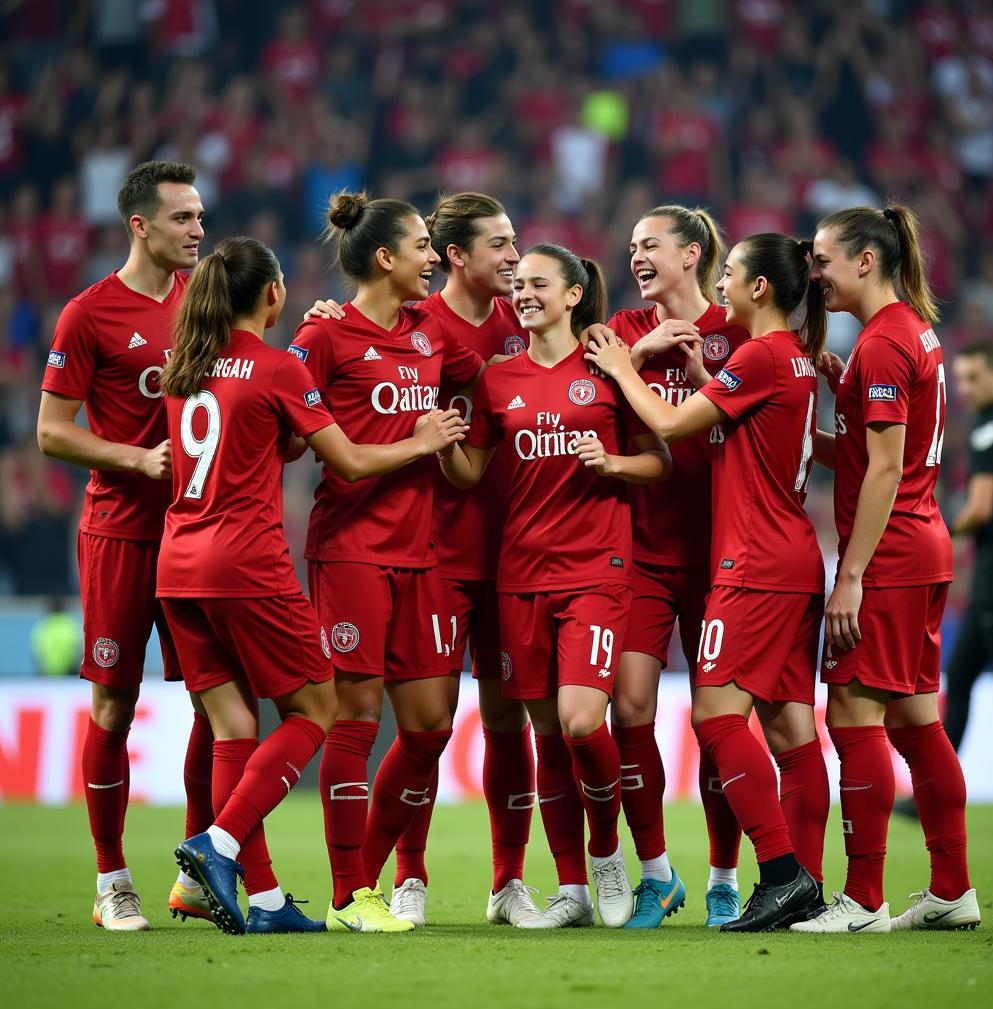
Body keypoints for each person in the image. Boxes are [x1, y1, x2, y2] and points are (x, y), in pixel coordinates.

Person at [161, 237, 466, 935]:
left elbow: (275, 442)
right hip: (245, 563)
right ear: (271, 294)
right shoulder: (276, 369)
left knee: (232, 724)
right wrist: (422, 441)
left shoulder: (186, 370)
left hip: (178, 565)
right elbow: (350, 462)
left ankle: (264, 900)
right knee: (316, 708)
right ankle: (219, 843)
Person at [587, 232, 829, 933]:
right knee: (789, 728)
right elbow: (747, 430)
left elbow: (663, 423)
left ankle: (781, 874)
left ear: (759, 288)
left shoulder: (758, 354)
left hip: (750, 564)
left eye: (732, 274)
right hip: (792, 558)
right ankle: (803, 890)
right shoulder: (793, 360)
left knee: (717, 716)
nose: (722, 284)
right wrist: (698, 375)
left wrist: (619, 366)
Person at [307, 192, 538, 925]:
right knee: (364, 716)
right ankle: (375, 884)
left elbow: (501, 384)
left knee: (444, 725)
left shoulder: (491, 324)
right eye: (498, 243)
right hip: (393, 550)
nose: (514, 258)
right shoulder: (343, 331)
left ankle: (505, 882)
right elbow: (301, 433)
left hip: (505, 553)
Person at [440, 243, 672, 929]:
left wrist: (613, 463)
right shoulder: (496, 378)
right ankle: (570, 887)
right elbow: (470, 472)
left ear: (573, 295)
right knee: (546, 735)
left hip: (595, 571)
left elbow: (659, 461)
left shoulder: (605, 369)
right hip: (519, 576)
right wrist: (432, 435)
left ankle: (605, 855)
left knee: (579, 722)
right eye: (520, 284)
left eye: (539, 283)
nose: (524, 292)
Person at [37, 160, 216, 931]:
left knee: (220, 705)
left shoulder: (207, 304)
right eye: (182, 219)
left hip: (198, 534)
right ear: (139, 225)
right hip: (119, 532)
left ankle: (199, 868)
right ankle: (112, 878)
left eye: (201, 218)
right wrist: (138, 459)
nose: (198, 232)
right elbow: (51, 431)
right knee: (114, 704)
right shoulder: (89, 314)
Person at [795, 203, 980, 933]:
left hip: (892, 554)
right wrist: (820, 417)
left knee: (852, 715)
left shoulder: (881, 344)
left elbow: (884, 470)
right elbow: (869, 455)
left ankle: (864, 899)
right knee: (913, 720)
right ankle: (952, 888)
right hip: (923, 544)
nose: (815, 274)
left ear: (865, 261)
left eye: (823, 260)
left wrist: (851, 574)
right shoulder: (909, 333)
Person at [582, 205, 750, 928]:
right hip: (642, 553)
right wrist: (640, 352)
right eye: (630, 247)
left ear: (692, 253)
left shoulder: (740, 331)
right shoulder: (619, 333)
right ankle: (657, 873)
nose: (637, 256)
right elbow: (572, 382)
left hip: (723, 557)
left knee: (718, 725)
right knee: (630, 710)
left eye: (650, 245)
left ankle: (722, 877)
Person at [943, 342, 993, 753]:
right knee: (959, 677)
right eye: (960, 379)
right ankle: (933, 791)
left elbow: (980, 506)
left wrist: (945, 535)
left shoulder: (988, 429)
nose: (965, 389)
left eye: (973, 378)